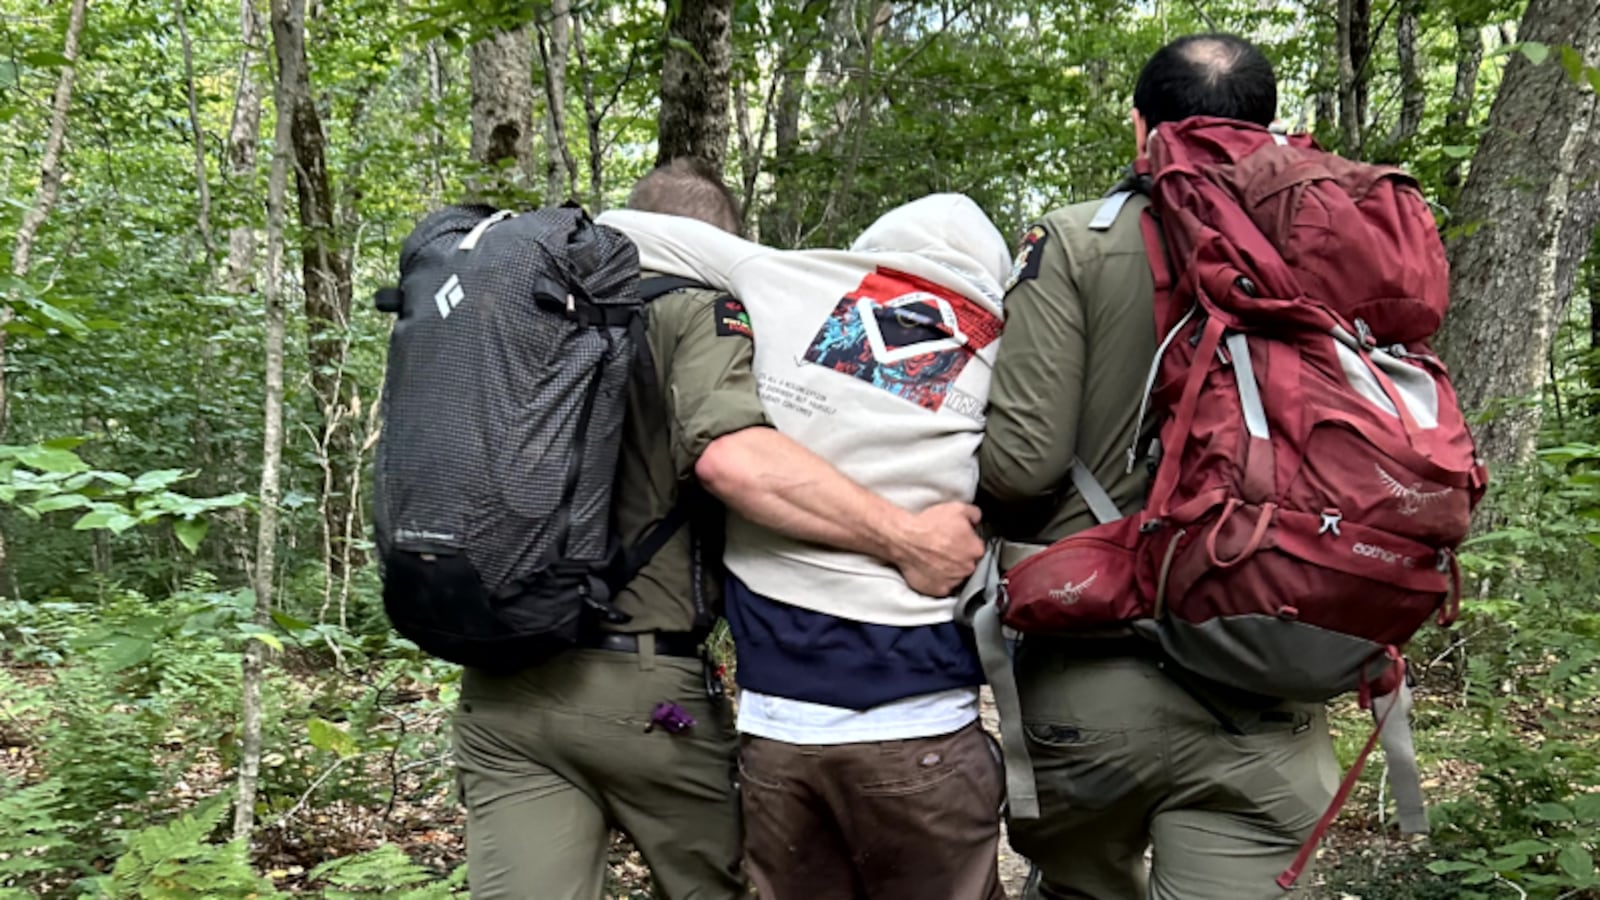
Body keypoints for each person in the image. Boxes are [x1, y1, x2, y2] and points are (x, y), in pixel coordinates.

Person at [452, 159, 986, 900]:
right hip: (641, 688)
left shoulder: (523, 317)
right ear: (712, 241)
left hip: (497, 687)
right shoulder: (692, 309)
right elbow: (735, 462)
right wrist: (905, 537)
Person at [978, 34, 1340, 900]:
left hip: (1096, 679)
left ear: (1141, 129)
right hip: (1273, 672)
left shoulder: (1074, 242)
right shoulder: (1332, 247)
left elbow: (1023, 467)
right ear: (1269, 128)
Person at [599, 193, 1010, 900]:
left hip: (777, 722)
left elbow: (619, 231)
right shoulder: (1004, 341)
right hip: (924, 724)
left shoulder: (778, 278)